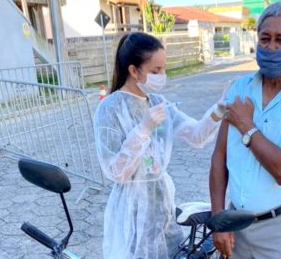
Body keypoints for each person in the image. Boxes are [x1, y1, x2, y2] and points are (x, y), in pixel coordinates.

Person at [209, 1, 281, 259]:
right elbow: (219, 158)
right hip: (235, 225)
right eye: (265, 39)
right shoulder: (239, 88)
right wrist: (218, 219)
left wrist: (246, 126)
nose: (271, 47)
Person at [93, 32, 226, 259]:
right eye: (155, 71)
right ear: (134, 71)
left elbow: (196, 135)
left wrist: (218, 110)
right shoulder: (110, 109)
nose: (162, 76)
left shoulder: (158, 103)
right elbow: (116, 171)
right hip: (132, 211)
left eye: (164, 69)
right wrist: (143, 130)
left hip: (162, 206)